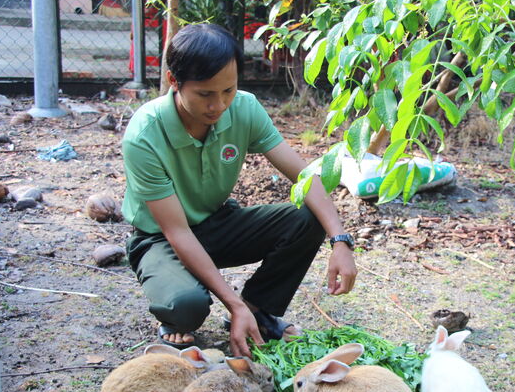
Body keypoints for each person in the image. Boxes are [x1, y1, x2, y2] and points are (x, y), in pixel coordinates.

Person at [121, 23, 357, 358]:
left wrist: (340, 240)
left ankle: (258, 309)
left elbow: (303, 177)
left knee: (308, 217)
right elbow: (177, 231)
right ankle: (180, 309)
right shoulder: (144, 134)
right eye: (205, 94)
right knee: (186, 306)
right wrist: (231, 305)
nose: (218, 105)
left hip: (217, 223)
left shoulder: (243, 108)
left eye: (228, 90)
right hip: (161, 237)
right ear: (174, 81)